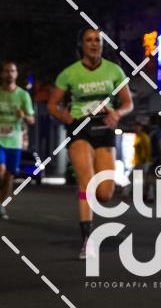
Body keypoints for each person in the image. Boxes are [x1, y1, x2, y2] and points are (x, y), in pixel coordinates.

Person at [48, 29, 133, 259]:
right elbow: (52, 105)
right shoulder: (69, 73)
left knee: (105, 193)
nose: (94, 44)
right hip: (80, 127)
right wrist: (65, 116)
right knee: (86, 182)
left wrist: (117, 113)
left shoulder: (114, 70)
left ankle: (88, 199)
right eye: (89, 40)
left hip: (104, 127)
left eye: (98, 40)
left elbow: (128, 103)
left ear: (103, 45)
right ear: (82, 45)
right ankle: (87, 240)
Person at [0, 61, 35, 219]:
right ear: (2, 74)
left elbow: (32, 120)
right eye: (6, 71)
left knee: (9, 176)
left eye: (12, 71)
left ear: (16, 74)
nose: (9, 74)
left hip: (14, 141)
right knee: (1, 171)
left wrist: (24, 116)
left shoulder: (23, 95)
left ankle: (2, 205)